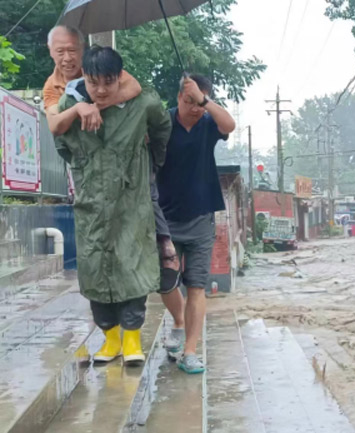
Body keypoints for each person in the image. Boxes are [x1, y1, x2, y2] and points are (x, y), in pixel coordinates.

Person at [55, 46, 172, 365]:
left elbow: (162, 128)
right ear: (85, 79)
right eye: (94, 83)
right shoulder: (71, 104)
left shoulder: (142, 103)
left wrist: (151, 163)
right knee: (95, 270)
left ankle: (132, 340)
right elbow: (60, 141)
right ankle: (111, 340)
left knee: (133, 266)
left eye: (109, 81)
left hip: (131, 202)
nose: (101, 90)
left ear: (120, 77)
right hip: (91, 205)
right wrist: (82, 166)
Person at [43, 25, 181, 294]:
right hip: (93, 172)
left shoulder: (105, 68)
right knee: (100, 242)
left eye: (73, 50)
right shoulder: (53, 88)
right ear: (50, 52)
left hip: (129, 159)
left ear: (82, 52)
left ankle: (164, 245)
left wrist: (99, 103)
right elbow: (56, 128)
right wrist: (79, 108)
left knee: (144, 202)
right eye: (60, 51)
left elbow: (135, 90)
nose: (67, 57)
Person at [157, 74, 235, 374]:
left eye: (199, 103)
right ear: (178, 97)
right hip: (165, 216)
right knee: (164, 280)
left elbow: (229, 125)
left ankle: (190, 350)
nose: (194, 108)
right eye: (188, 101)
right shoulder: (163, 124)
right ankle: (178, 320)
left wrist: (204, 102)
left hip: (202, 217)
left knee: (197, 286)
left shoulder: (208, 125)